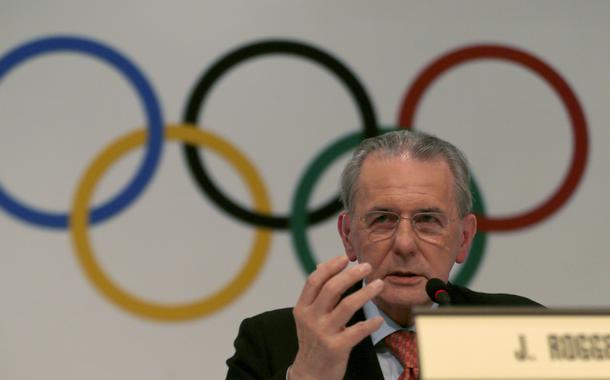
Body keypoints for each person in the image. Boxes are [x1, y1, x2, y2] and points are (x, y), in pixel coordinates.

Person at [225, 130, 541, 380]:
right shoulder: (274, 342)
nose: (404, 244)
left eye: (428, 220)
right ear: (348, 236)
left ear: (464, 238)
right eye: (383, 219)